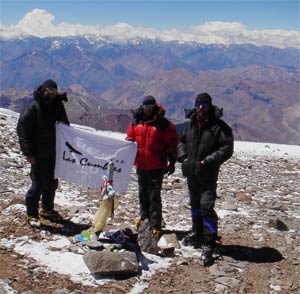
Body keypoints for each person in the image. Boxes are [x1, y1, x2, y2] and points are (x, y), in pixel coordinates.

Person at [177, 92, 234, 264]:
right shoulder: (190, 124)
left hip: (208, 173)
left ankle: (209, 242)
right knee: (195, 204)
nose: (201, 108)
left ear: (210, 106)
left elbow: (226, 148)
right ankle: (197, 233)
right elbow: (180, 141)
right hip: (192, 172)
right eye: (198, 104)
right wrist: (183, 157)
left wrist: (207, 161)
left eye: (204, 105)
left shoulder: (219, 127)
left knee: (206, 207)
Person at [17, 79, 70, 228]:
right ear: (43, 91)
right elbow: (22, 131)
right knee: (38, 185)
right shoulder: (33, 108)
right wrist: (28, 153)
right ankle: (32, 214)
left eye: (54, 92)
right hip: (38, 154)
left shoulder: (57, 106)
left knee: (52, 183)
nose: (52, 95)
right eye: (49, 91)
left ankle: (47, 209)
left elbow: (65, 126)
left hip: (54, 152)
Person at [126, 95, 178, 240]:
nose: (147, 110)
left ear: (154, 107)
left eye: (149, 108)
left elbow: (172, 143)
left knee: (154, 196)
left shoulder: (163, 124)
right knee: (143, 194)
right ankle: (144, 220)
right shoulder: (136, 122)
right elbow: (130, 139)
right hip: (141, 165)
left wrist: (172, 161)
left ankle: (155, 225)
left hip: (157, 166)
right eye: (145, 108)